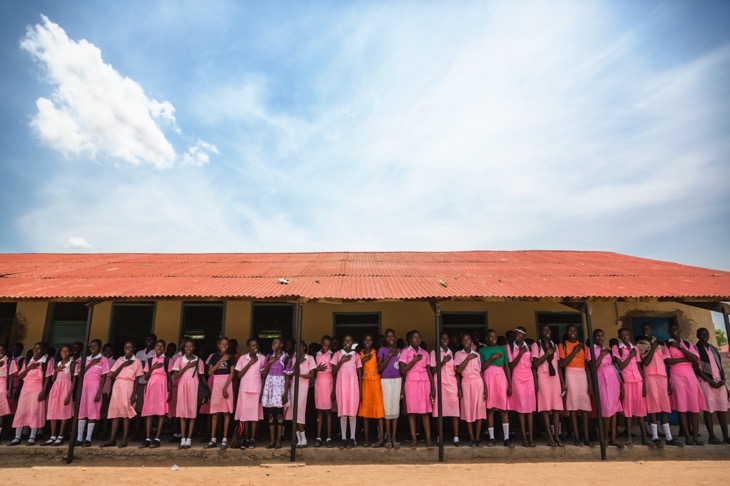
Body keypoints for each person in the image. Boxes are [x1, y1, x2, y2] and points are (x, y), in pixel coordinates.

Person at [638, 323, 680, 447]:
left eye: (648, 329)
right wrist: (652, 347)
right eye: (644, 329)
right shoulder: (640, 345)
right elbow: (645, 362)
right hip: (650, 376)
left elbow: (665, 362)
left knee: (664, 406)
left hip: (662, 376)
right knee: (653, 406)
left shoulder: (661, 344)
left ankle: (668, 436)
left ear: (651, 330)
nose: (646, 331)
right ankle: (655, 436)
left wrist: (667, 382)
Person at [665, 322, 706, 445]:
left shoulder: (687, 344)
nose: (674, 330)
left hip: (690, 376)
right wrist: (685, 358)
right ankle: (687, 437)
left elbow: (694, 359)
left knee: (694, 406)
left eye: (676, 328)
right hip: (676, 376)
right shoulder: (667, 344)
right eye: (672, 328)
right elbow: (668, 361)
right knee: (682, 407)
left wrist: (680, 347)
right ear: (669, 331)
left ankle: (695, 437)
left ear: (680, 330)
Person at [612, 328, 651, 447]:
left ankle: (644, 437)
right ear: (619, 336)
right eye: (623, 335)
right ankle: (629, 436)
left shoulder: (634, 348)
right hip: (627, 380)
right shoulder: (617, 348)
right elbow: (621, 366)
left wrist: (643, 383)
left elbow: (639, 366)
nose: (626, 337)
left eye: (627, 335)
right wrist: (630, 356)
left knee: (640, 409)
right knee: (628, 409)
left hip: (637, 380)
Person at [9, 342, 52, 446]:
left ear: (44, 351)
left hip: (37, 388)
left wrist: (43, 391)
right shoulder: (28, 361)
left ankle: (32, 437)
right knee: (21, 411)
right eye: (34, 349)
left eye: (38, 350)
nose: (35, 351)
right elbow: (20, 377)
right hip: (25, 389)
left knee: (34, 412)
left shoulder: (47, 362)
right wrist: (29, 367)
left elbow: (47, 378)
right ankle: (17, 437)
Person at [102, 341, 143, 448]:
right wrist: (123, 365)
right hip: (118, 387)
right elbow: (113, 375)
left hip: (129, 387)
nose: (127, 349)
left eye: (130, 347)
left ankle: (125, 438)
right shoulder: (120, 360)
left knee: (126, 414)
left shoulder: (137, 361)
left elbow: (137, 380)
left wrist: (134, 394)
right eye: (125, 347)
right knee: (115, 413)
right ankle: (112, 438)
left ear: (134, 348)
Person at [559, 324, 593, 447]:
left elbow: (587, 366)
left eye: (574, 330)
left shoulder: (584, 346)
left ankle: (586, 437)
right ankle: (576, 437)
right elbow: (563, 364)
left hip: (582, 374)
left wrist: (590, 383)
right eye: (570, 330)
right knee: (572, 407)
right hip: (570, 373)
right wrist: (574, 351)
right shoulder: (562, 345)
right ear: (566, 332)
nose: (572, 332)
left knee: (584, 407)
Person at [694, 327, 730, 444]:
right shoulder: (696, 349)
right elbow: (697, 369)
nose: (705, 336)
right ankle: (712, 437)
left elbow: (719, 365)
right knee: (708, 410)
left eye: (706, 333)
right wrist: (710, 381)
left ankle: (726, 436)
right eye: (702, 334)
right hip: (706, 382)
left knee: (722, 409)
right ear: (698, 336)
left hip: (719, 382)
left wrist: (723, 379)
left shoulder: (713, 348)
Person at [589, 329, 623, 448]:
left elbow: (614, 366)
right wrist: (602, 355)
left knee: (614, 409)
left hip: (613, 380)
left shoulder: (607, 350)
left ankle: (613, 438)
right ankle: (605, 438)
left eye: (602, 336)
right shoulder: (591, 350)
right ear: (594, 337)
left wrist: (620, 383)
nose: (600, 338)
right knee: (606, 409)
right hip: (602, 380)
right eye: (597, 336)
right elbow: (593, 367)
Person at [400, 330, 434, 449]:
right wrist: (414, 361)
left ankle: (428, 439)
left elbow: (429, 371)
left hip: (424, 383)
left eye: (419, 337)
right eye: (414, 337)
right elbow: (403, 370)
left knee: (425, 412)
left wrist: (433, 387)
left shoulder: (425, 353)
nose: (417, 339)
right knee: (412, 412)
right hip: (411, 384)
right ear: (409, 339)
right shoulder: (405, 352)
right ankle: (414, 439)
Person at [532, 325, 565, 447]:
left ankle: (557, 435)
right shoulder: (537, 345)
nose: (547, 332)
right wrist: (547, 354)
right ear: (540, 332)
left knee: (556, 408)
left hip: (555, 377)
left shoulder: (555, 345)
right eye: (544, 330)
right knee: (545, 408)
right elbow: (535, 364)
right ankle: (549, 436)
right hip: (543, 377)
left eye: (549, 330)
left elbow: (558, 365)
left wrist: (562, 382)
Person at [480, 329, 513, 447]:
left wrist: (509, 384)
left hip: (501, 378)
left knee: (503, 409)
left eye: (495, 336)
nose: (493, 338)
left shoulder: (502, 349)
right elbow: (481, 368)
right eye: (491, 337)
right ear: (486, 339)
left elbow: (507, 367)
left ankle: (506, 438)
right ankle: (492, 438)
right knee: (490, 409)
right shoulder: (482, 350)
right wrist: (492, 358)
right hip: (488, 379)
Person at [75, 339, 110, 447]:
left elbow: (104, 376)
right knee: (81, 412)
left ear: (100, 347)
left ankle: (88, 438)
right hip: (84, 386)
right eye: (91, 347)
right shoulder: (85, 359)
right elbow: (79, 374)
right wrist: (90, 364)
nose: (93, 348)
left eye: (95, 346)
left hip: (95, 386)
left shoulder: (104, 359)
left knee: (92, 412)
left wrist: (100, 391)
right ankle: (79, 438)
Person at [507, 327, 536, 447]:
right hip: (517, 377)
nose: (517, 336)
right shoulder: (510, 347)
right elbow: (511, 365)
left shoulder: (529, 346)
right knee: (521, 408)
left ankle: (531, 436)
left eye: (520, 334)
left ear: (524, 336)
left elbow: (533, 365)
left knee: (530, 408)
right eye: (516, 334)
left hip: (528, 376)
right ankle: (523, 435)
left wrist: (536, 381)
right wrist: (520, 353)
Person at [331, 335, 363, 448]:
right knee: (343, 413)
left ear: (352, 342)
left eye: (350, 340)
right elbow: (333, 372)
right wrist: (341, 361)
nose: (347, 342)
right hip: (341, 387)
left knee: (352, 414)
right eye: (345, 340)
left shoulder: (356, 355)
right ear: (343, 342)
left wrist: (360, 389)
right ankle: (344, 438)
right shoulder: (338, 354)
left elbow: (359, 373)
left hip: (353, 387)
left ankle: (352, 438)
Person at [172, 339, 205, 449]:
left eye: (191, 347)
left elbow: (201, 376)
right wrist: (187, 366)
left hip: (194, 386)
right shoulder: (179, 360)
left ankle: (189, 438)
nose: (189, 349)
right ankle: (183, 438)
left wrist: (206, 389)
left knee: (192, 412)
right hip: (183, 386)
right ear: (184, 348)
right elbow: (175, 376)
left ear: (194, 348)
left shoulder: (199, 360)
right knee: (182, 413)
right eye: (186, 347)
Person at [204, 337, 235, 450]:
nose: (224, 346)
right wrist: (221, 360)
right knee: (215, 413)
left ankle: (224, 439)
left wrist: (225, 387)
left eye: (226, 345)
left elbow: (232, 374)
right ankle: (213, 439)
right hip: (216, 383)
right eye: (222, 344)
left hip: (227, 384)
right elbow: (210, 372)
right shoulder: (214, 357)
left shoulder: (231, 358)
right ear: (218, 345)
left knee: (226, 413)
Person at [430, 332, 460, 447]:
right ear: (439, 340)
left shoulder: (453, 353)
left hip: (452, 385)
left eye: (446, 338)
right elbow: (433, 371)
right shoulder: (434, 352)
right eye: (442, 338)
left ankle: (456, 438)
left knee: (454, 412)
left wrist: (459, 386)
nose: (445, 340)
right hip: (440, 384)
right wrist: (444, 361)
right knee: (439, 412)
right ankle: (440, 437)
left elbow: (456, 371)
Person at [455, 334, 485, 447]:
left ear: (471, 341)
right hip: (466, 383)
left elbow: (480, 371)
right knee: (468, 410)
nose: (466, 341)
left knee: (479, 410)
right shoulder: (458, 354)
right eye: (464, 340)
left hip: (478, 383)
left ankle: (477, 438)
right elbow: (458, 370)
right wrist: (467, 359)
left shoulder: (477, 354)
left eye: (468, 339)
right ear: (461, 342)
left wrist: (485, 386)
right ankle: (471, 438)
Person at [139, 339, 171, 449]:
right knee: (149, 412)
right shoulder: (149, 360)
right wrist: (153, 368)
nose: (159, 348)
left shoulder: (167, 360)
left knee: (161, 413)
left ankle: (157, 438)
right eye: (157, 346)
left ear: (164, 349)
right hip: (151, 387)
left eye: (162, 346)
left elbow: (170, 378)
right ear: (154, 348)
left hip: (162, 387)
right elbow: (146, 377)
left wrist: (170, 392)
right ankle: (147, 438)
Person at [285, 340, 316, 448]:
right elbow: (290, 373)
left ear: (304, 347)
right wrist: (297, 362)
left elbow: (312, 375)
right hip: (293, 387)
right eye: (296, 347)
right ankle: (300, 440)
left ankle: (304, 438)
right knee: (294, 412)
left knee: (300, 412)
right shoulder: (293, 358)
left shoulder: (310, 358)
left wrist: (301, 374)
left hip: (303, 388)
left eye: (300, 347)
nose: (298, 349)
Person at [233, 338, 263, 449]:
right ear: (248, 347)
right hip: (244, 389)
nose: (254, 347)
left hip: (256, 389)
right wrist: (250, 363)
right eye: (252, 345)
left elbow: (263, 375)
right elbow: (239, 375)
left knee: (254, 416)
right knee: (244, 415)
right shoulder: (242, 358)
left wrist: (262, 392)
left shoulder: (262, 358)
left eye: (256, 345)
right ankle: (244, 438)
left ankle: (252, 439)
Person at [43, 345, 75, 446]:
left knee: (64, 413)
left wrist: (69, 395)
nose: (64, 353)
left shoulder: (73, 364)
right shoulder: (57, 363)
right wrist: (56, 371)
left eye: (66, 351)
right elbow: (53, 380)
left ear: (70, 353)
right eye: (62, 352)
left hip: (66, 388)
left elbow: (74, 381)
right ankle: (53, 436)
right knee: (53, 412)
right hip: (56, 388)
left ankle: (61, 436)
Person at [377, 329, 402, 449]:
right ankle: (387, 438)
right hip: (385, 381)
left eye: (392, 336)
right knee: (387, 410)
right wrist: (389, 356)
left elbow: (402, 369)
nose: (391, 338)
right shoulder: (382, 350)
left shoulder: (400, 351)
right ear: (385, 339)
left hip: (398, 380)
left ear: (395, 337)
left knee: (395, 409)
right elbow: (380, 368)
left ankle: (394, 437)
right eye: (388, 337)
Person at [359, 335, 386, 447]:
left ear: (372, 342)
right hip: (365, 384)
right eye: (365, 339)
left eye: (370, 340)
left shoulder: (376, 353)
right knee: (366, 414)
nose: (367, 342)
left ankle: (381, 438)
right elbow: (357, 370)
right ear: (363, 341)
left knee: (379, 413)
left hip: (376, 384)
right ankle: (366, 440)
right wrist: (362, 361)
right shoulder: (359, 354)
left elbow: (381, 367)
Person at [261, 338, 288, 449]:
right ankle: (272, 440)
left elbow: (287, 376)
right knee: (271, 415)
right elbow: (263, 375)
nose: (273, 344)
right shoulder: (268, 357)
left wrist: (286, 392)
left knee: (279, 414)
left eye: (275, 343)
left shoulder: (286, 358)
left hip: (280, 387)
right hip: (270, 387)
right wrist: (269, 363)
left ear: (281, 344)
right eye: (272, 343)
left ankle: (278, 440)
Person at [132, 333, 157, 439]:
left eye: (151, 339)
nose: (148, 341)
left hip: (150, 384)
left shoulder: (155, 353)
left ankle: (145, 433)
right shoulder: (139, 353)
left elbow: (152, 367)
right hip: (139, 383)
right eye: (147, 339)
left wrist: (144, 365)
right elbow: (135, 367)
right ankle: (137, 432)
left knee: (147, 409)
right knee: (137, 409)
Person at [314, 335, 334, 448]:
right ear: (321, 344)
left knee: (328, 412)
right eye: (325, 345)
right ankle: (318, 436)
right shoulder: (316, 355)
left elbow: (334, 371)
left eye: (328, 345)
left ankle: (328, 437)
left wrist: (333, 390)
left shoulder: (332, 354)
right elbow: (311, 369)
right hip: (319, 385)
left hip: (329, 384)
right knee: (320, 412)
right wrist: (317, 369)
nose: (326, 347)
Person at [0, 344, 18, 442]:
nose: (0, 352)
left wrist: (10, 390)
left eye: (2, 350)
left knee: (1, 413)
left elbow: (11, 377)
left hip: (3, 389)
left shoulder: (10, 361)